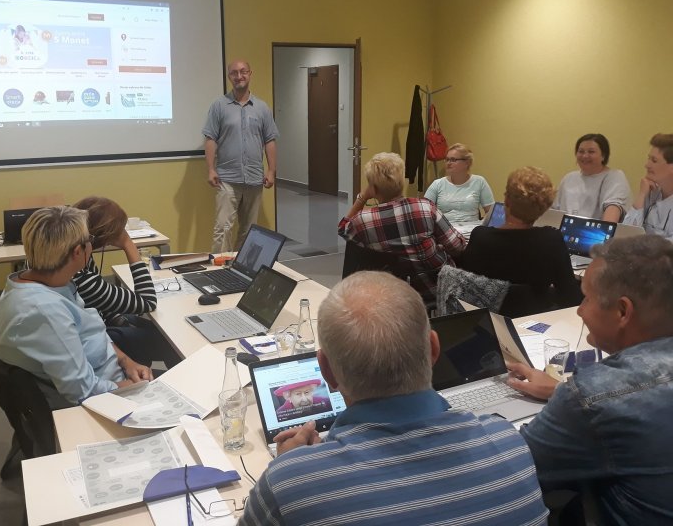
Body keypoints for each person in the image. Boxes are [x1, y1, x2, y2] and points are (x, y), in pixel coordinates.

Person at [239, 271, 548, 525]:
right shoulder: (509, 443)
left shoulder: (290, 484)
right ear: (434, 349)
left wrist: (289, 467)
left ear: (326, 372)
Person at [506, 235, 673, 525]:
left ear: (622, 311)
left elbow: (517, 465)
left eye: (586, 298)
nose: (580, 310)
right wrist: (562, 391)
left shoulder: (593, 396)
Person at [0, 206, 152, 406]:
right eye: (89, 241)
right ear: (78, 251)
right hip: (102, 398)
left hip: (112, 375)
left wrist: (126, 361)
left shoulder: (48, 282)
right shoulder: (45, 311)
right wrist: (134, 387)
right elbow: (84, 392)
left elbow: (93, 332)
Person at [339, 151, 465, 300]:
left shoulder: (363, 221)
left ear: (373, 189)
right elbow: (457, 247)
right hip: (438, 290)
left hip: (396, 297)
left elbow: (343, 228)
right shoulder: (425, 207)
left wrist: (362, 197)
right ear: (402, 181)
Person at [460, 166, 581, 315]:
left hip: (487, 321)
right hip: (535, 321)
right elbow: (569, 296)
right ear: (544, 208)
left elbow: (467, 288)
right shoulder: (551, 240)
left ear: (507, 200)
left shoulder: (480, 237)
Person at [72, 197, 167, 367]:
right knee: (163, 340)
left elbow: (101, 304)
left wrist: (122, 321)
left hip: (93, 324)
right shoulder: (83, 280)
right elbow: (148, 302)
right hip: (94, 339)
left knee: (155, 327)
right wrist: (128, 244)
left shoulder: (76, 254)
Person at [203, 59, 278, 253]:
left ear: (250, 74)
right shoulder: (219, 106)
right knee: (223, 228)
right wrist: (210, 169)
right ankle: (221, 267)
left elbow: (270, 140)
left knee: (248, 230)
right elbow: (210, 138)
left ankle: (238, 266)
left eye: (243, 71)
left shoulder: (262, 108)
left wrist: (271, 170)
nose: (239, 76)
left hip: (254, 179)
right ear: (229, 77)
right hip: (227, 178)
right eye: (234, 73)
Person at [553, 133, 631, 222]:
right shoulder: (569, 178)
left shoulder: (615, 177)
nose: (585, 156)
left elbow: (612, 214)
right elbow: (554, 210)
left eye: (591, 152)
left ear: (603, 155)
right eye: (581, 151)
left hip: (595, 230)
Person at [423, 143, 495, 223]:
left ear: (467, 162)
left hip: (472, 228)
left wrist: (482, 225)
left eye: (453, 160)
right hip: (445, 229)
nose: (448, 163)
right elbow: (423, 211)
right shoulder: (437, 184)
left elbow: (490, 212)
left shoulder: (479, 181)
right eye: (447, 159)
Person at [623, 132, 673, 240]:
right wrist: (641, 195)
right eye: (648, 159)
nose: (647, 165)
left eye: (654, 161)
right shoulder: (651, 192)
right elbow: (625, 236)